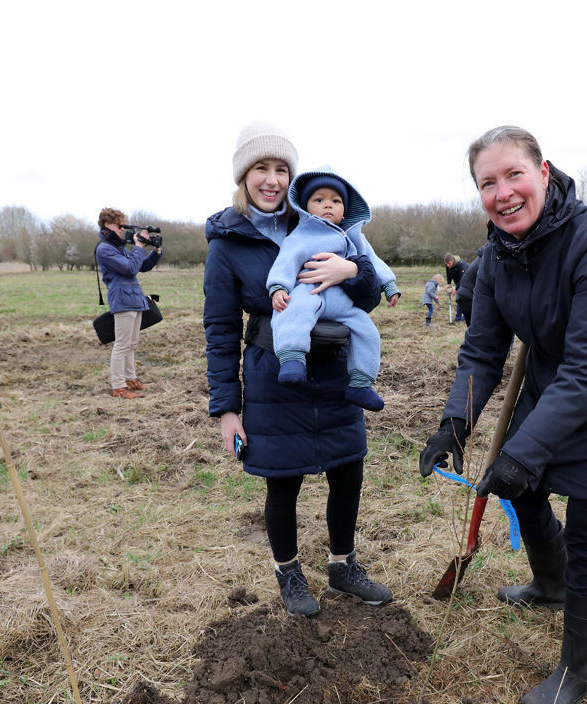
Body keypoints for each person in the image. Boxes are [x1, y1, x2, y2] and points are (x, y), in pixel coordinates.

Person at [418, 126, 587, 704]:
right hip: (556, 388)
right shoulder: (495, 260)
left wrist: (522, 451)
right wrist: (455, 422)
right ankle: (552, 585)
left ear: (544, 172)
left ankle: (577, 670)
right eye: (487, 183)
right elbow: (482, 351)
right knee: (522, 489)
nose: (503, 192)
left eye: (514, 176)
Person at [203, 122, 392, 617]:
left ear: (292, 176)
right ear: (243, 176)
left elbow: (367, 299)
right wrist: (226, 408)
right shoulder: (227, 243)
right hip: (274, 377)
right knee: (281, 481)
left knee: (348, 472)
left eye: (281, 169)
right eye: (260, 168)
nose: (271, 179)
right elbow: (220, 328)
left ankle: (343, 567)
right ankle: (288, 573)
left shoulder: (317, 220)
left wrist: (353, 271)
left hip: (334, 372)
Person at [266, 168, 401, 412]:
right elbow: (286, 261)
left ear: (345, 209)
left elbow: (372, 260)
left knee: (367, 331)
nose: (328, 205)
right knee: (292, 311)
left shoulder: (355, 236)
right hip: (308, 290)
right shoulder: (301, 235)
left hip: (342, 300)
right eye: (319, 200)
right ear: (306, 207)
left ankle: (361, 383)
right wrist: (278, 287)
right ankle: (292, 358)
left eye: (336, 201)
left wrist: (389, 284)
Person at [96, 207, 162, 400]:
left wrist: (156, 251)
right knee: (122, 345)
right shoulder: (105, 249)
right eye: (119, 225)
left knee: (131, 344)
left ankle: (131, 379)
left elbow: (143, 266)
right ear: (107, 224)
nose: (122, 229)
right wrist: (139, 247)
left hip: (134, 299)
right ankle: (118, 387)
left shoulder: (120, 248)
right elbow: (131, 268)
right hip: (123, 301)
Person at [457, 246, 484, 326]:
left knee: (474, 327)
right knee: (476, 327)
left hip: (464, 295)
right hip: (468, 297)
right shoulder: (485, 260)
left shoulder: (480, 259)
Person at [445, 253, 467, 321]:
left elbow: (463, 279)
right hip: (458, 282)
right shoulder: (447, 264)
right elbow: (448, 273)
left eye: (449, 263)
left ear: (452, 261)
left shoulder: (461, 264)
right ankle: (459, 317)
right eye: (446, 264)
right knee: (459, 299)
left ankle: (465, 316)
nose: (448, 265)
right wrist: (449, 283)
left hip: (467, 283)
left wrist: (456, 289)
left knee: (462, 299)